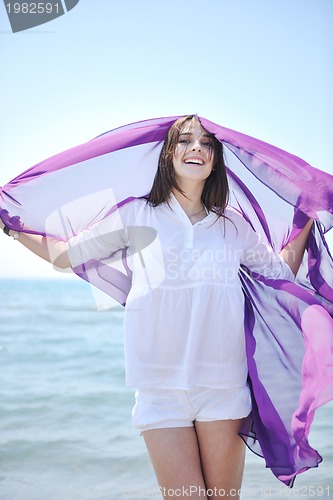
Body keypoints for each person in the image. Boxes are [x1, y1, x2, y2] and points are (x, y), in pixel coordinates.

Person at [0, 115, 318, 499]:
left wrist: (305, 215)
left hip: (223, 386)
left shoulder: (233, 226)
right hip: (158, 389)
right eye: (184, 140)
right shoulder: (136, 214)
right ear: (168, 154)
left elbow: (280, 271)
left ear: (216, 160)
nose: (196, 147)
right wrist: (16, 230)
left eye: (206, 143)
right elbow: (67, 256)